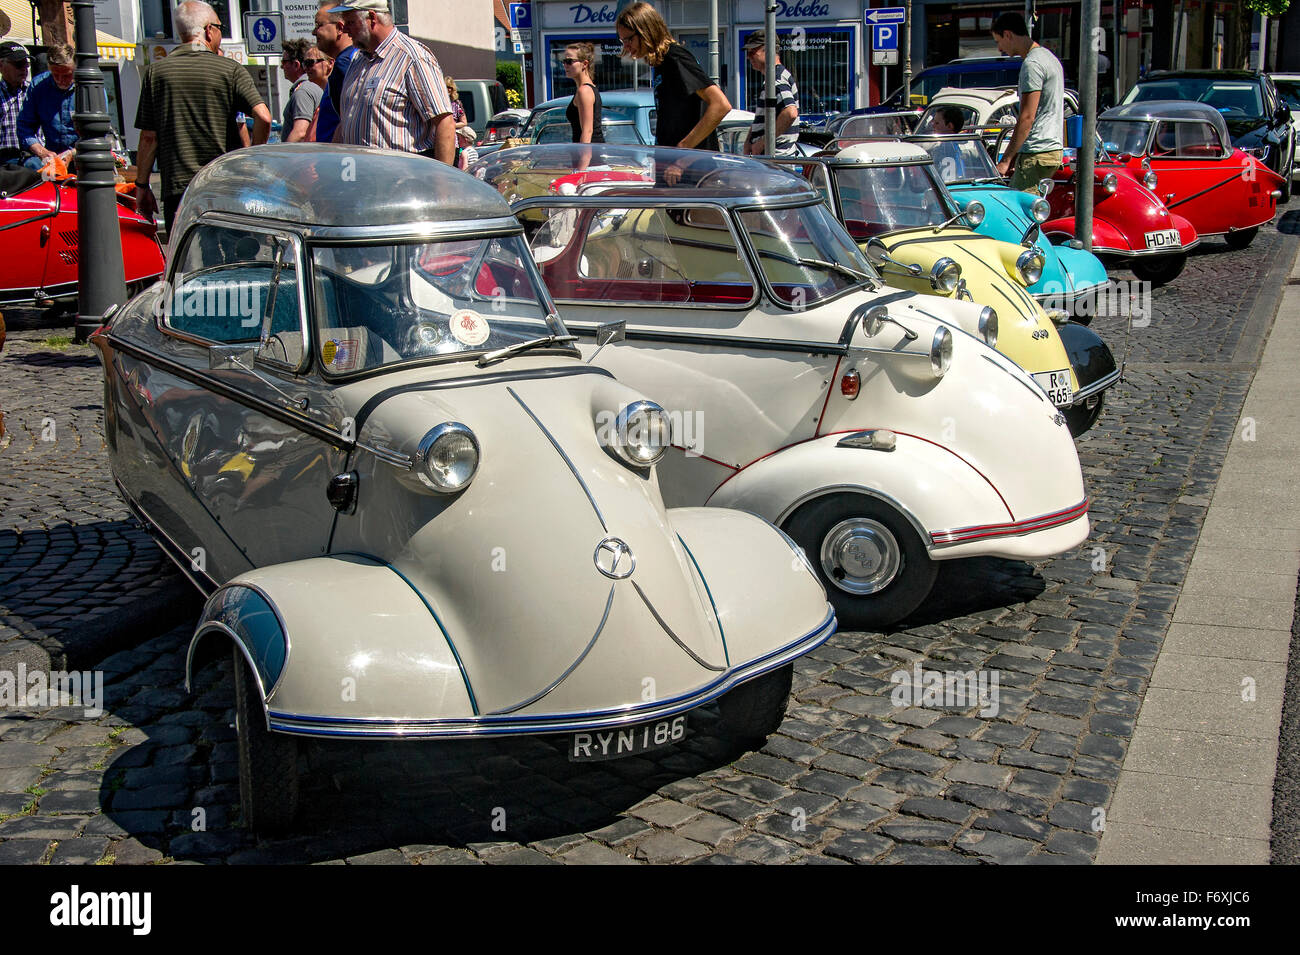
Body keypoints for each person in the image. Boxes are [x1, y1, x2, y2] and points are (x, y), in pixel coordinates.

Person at [134, 0, 272, 233]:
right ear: (209, 30)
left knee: (186, 260)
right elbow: (264, 117)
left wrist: (142, 185)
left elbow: (149, 137)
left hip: (179, 189)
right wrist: (252, 161)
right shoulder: (230, 70)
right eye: (220, 27)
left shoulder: (156, 73)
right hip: (223, 185)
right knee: (229, 258)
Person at [616, 1, 729, 183]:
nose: (626, 46)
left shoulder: (675, 58)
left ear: (646, 31)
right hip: (671, 166)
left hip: (691, 170)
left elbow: (721, 105)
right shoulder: (662, 63)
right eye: (623, 41)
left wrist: (683, 154)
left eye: (629, 39)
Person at [331, 0, 455, 163]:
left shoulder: (412, 57)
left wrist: (442, 183)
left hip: (403, 178)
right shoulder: (357, 60)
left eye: (350, 22)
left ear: (372, 18)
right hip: (359, 177)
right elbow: (346, 122)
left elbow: (444, 124)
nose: (345, 29)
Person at [991, 11, 1063, 193]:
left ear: (1008, 34)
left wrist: (1005, 160)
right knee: (1036, 210)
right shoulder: (1050, 58)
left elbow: (1027, 117)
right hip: (1051, 148)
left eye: (998, 41)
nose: (999, 48)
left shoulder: (1032, 64)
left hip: (1036, 151)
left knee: (1020, 213)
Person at [17, 45, 77, 173]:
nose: (60, 80)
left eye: (66, 75)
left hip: (82, 158)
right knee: (30, 166)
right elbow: (24, 127)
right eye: (55, 75)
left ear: (75, 69)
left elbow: (98, 135)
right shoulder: (39, 85)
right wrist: (41, 151)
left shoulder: (89, 87)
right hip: (52, 158)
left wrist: (72, 153)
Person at [741, 31, 799, 157]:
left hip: (775, 160)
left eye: (752, 52)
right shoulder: (773, 77)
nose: (748, 57)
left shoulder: (776, 78)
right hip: (773, 159)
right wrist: (748, 140)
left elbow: (790, 112)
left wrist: (762, 143)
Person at [312, 2, 356, 145]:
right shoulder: (353, 58)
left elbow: (348, 117)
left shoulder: (344, 63)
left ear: (339, 28)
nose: (314, 32)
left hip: (338, 157)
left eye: (319, 25)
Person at [280, 39, 325, 143]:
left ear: (296, 65)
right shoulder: (312, 86)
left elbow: (300, 133)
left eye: (284, 62)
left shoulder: (303, 91)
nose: (282, 66)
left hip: (302, 157)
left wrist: (285, 156)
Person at [562, 42, 603, 144]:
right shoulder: (586, 89)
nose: (565, 65)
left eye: (569, 61)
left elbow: (587, 131)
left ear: (584, 64)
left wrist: (583, 159)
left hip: (589, 153)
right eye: (564, 61)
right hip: (589, 151)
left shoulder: (584, 91)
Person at [0, 42, 32, 167]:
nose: (24, 69)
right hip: (5, 161)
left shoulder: (33, 91)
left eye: (26, 64)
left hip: (34, 157)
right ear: (1, 65)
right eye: (19, 65)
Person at [929, 106, 967, 182]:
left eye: (937, 123)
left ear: (949, 126)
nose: (933, 125)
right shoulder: (955, 145)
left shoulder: (948, 148)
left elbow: (948, 177)